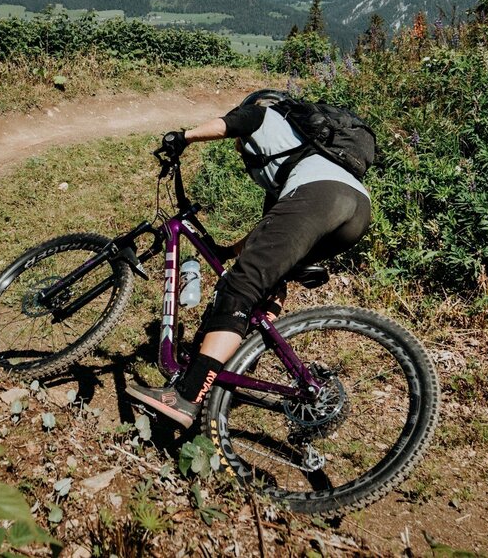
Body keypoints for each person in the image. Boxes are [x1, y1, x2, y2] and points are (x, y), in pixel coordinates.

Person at [125, 89, 372, 428]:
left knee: (238, 287)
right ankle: (238, 362)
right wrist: (229, 251)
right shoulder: (294, 162)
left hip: (320, 197)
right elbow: (268, 233)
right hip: (356, 210)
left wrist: (183, 137)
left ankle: (186, 396)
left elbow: (231, 124)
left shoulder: (265, 116)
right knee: (268, 284)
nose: (239, 147)